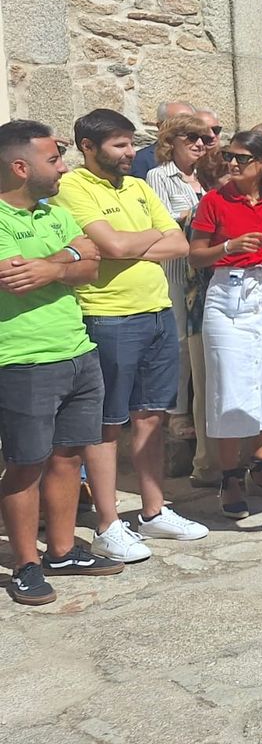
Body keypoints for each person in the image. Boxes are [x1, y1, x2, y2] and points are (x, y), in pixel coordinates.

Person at [57, 109, 208, 561]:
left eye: (130, 144)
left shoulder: (140, 187)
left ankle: (154, 510)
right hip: (107, 317)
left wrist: (126, 243)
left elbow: (179, 244)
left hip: (158, 311)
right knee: (107, 422)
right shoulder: (72, 187)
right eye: (119, 145)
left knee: (151, 416)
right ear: (88, 146)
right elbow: (115, 247)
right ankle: (107, 523)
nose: (130, 153)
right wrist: (139, 241)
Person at [0, 120, 119, 604]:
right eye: (54, 159)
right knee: (26, 463)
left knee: (70, 456)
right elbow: (15, 277)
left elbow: (92, 263)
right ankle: (27, 563)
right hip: (22, 360)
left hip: (78, 351)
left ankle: (64, 550)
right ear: (20, 166)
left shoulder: (53, 211)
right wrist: (64, 261)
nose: (63, 167)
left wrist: (56, 262)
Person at [188, 130, 262, 519]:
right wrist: (228, 247)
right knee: (230, 386)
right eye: (229, 156)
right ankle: (230, 475)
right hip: (228, 295)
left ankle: (260, 462)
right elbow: (195, 255)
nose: (233, 164)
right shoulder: (214, 200)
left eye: (241, 158)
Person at [146, 114, 209, 445]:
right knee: (180, 343)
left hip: (202, 274)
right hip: (174, 271)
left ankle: (199, 408)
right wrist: (198, 215)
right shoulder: (159, 176)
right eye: (191, 138)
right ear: (171, 142)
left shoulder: (203, 179)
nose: (200, 143)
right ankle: (177, 413)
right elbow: (160, 221)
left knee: (198, 341)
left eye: (203, 138)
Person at [130, 99, 198, 179]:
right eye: (180, 124)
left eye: (192, 123)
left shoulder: (204, 157)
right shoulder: (141, 161)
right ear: (161, 127)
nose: (188, 128)